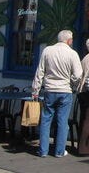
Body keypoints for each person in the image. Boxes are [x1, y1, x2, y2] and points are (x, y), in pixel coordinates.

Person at [32, 29, 83, 158]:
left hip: (49, 89)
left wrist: (35, 90)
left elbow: (40, 72)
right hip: (65, 91)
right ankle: (59, 151)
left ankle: (43, 150)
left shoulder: (47, 50)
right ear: (69, 40)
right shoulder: (72, 54)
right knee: (62, 121)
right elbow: (78, 75)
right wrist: (72, 84)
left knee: (46, 120)